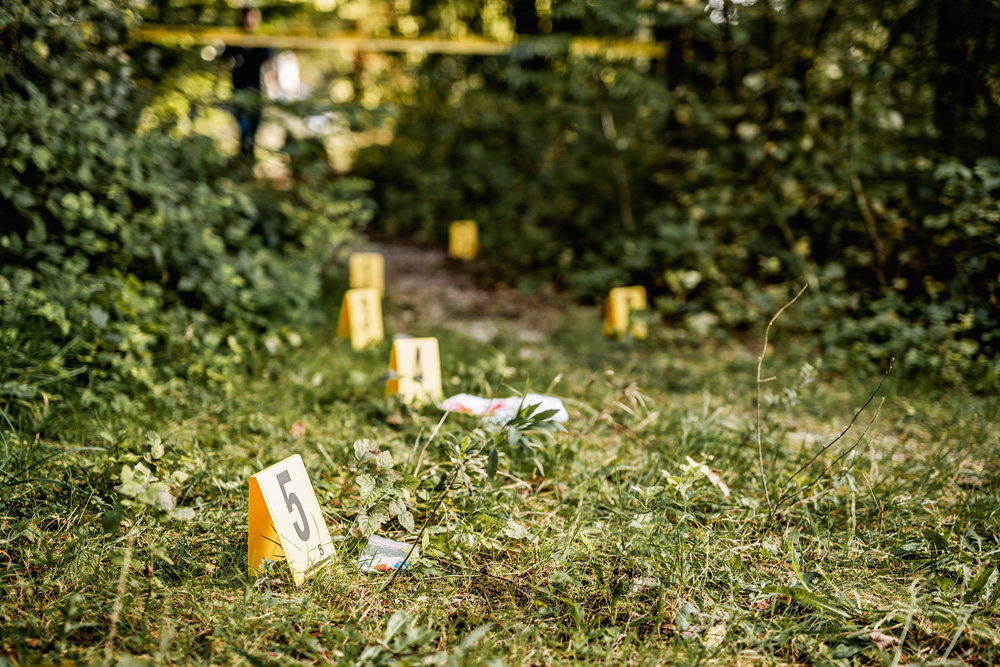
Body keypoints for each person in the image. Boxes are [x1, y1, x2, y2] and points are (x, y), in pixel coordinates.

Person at [224, 8, 271, 159]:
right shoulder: (233, 38)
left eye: (254, 17)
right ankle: (244, 152)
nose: (251, 20)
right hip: (239, 86)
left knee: (254, 121)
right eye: (249, 16)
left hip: (256, 87)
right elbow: (224, 60)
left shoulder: (261, 40)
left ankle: (249, 153)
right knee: (243, 121)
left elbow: (268, 62)